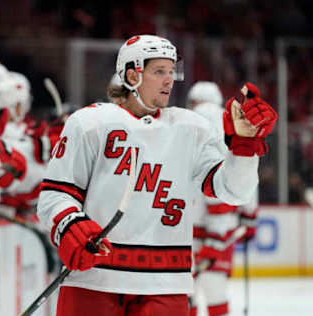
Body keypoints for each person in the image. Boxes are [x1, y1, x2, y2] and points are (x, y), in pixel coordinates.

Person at [37, 35, 277, 316]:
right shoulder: (90, 123)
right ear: (131, 75)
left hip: (165, 283)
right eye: (159, 71)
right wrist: (70, 224)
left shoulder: (192, 129)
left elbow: (233, 191)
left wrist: (244, 149)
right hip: (95, 278)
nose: (169, 80)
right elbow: (56, 194)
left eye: (172, 71)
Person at [186, 81, 259, 316]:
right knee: (216, 293)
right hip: (221, 225)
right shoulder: (233, 120)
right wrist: (249, 218)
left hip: (188, 226)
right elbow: (246, 175)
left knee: (187, 295)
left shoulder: (188, 120)